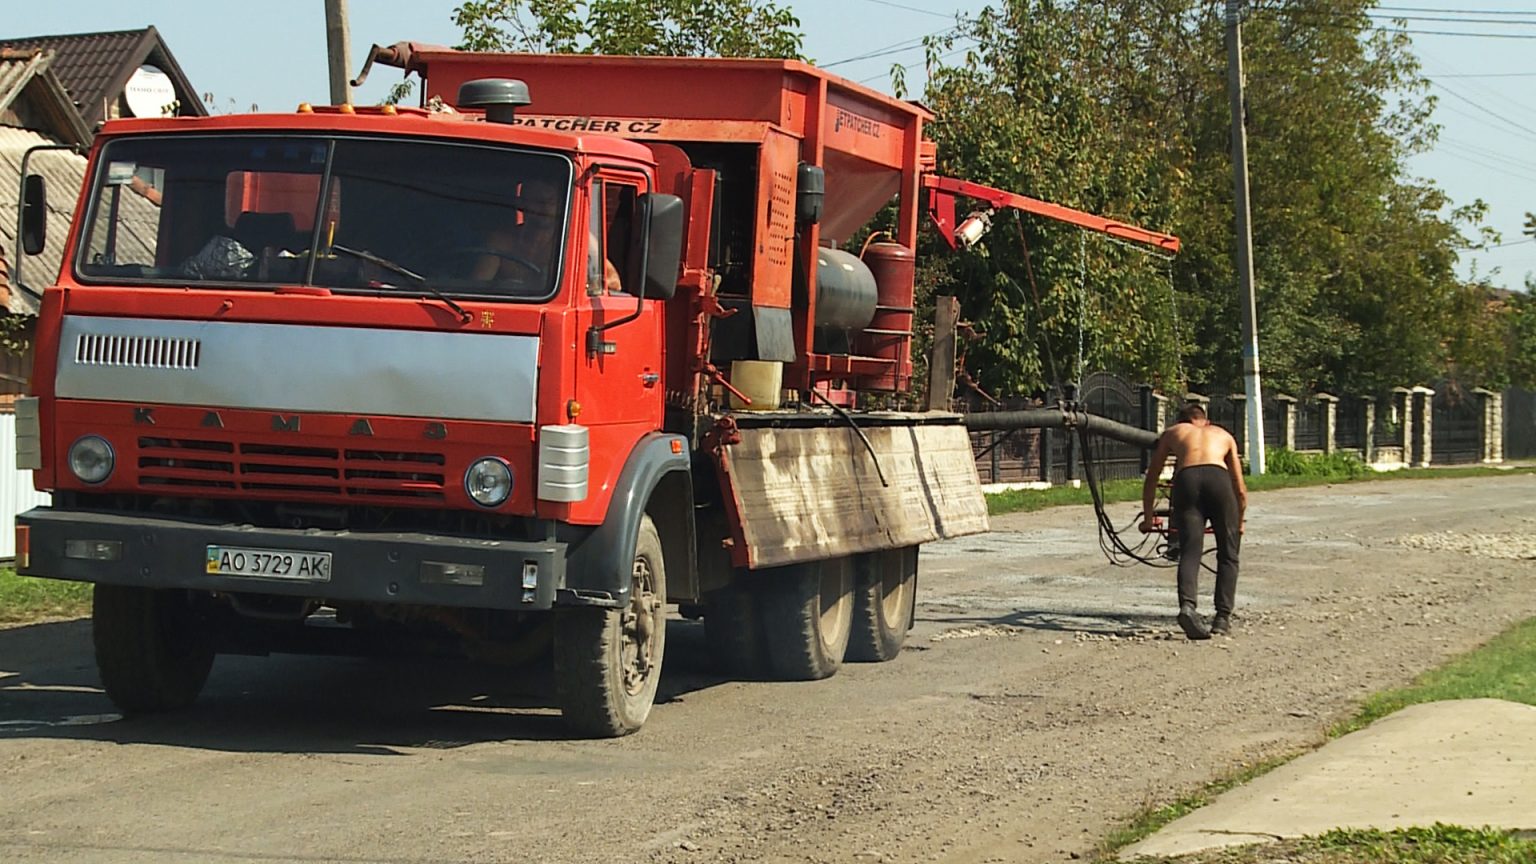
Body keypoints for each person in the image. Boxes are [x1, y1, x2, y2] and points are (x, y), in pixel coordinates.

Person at [1140, 402, 1248, 640]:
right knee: (1228, 554)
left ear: (1182, 421)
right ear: (1206, 421)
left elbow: (1152, 478)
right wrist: (1239, 522)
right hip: (1219, 480)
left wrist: (1148, 518)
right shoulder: (1223, 435)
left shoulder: (1173, 432)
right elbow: (1240, 488)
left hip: (1186, 480)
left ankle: (1188, 607)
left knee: (1190, 550)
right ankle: (1222, 618)